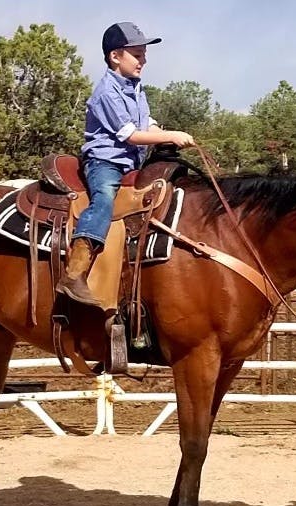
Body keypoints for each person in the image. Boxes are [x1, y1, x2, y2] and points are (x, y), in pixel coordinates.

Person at [56, 21, 195, 306]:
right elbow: (130, 134)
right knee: (104, 201)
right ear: (115, 56)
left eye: (144, 55)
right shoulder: (106, 92)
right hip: (104, 163)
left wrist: (169, 137)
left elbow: (147, 125)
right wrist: (171, 135)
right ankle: (76, 270)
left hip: (130, 163)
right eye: (137, 55)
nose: (143, 61)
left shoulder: (135, 88)